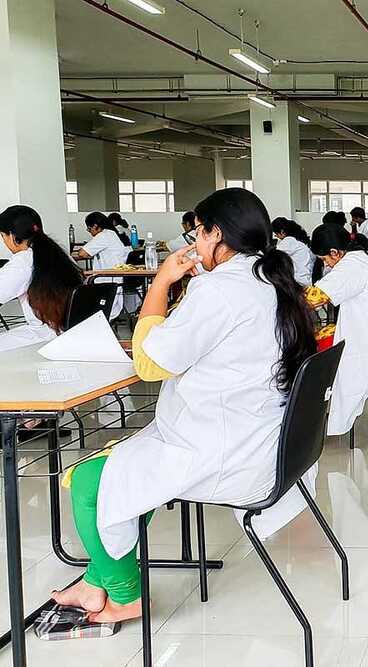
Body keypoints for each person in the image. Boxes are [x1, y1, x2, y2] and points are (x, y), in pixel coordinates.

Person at [51, 187, 319, 624]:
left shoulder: (219, 291)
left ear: (217, 233)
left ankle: (124, 594)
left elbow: (152, 364)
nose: (193, 243)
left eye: (197, 232)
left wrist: (160, 283)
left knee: (87, 483)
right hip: (259, 439)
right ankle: (95, 580)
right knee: (129, 470)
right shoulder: (269, 282)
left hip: (219, 448)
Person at [310, 224, 368, 435]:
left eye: (325, 260)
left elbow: (315, 298)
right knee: (325, 333)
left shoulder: (352, 264)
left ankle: (313, 415)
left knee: (312, 344)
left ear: (335, 252)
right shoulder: (366, 256)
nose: (327, 265)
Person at [0, 205, 82, 352]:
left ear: (12, 236)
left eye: (2, 236)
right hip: (72, 331)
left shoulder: (23, 261)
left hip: (48, 336)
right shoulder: (61, 254)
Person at [73, 212, 129, 318]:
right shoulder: (111, 234)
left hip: (107, 281)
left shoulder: (104, 236)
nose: (89, 232)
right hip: (113, 279)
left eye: (89, 229)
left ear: (95, 226)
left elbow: (82, 253)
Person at [271, 217, 314, 287]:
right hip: (308, 280)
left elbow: (274, 256)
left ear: (282, 232)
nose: (277, 237)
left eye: (276, 234)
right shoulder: (301, 240)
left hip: (298, 281)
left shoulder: (289, 241)